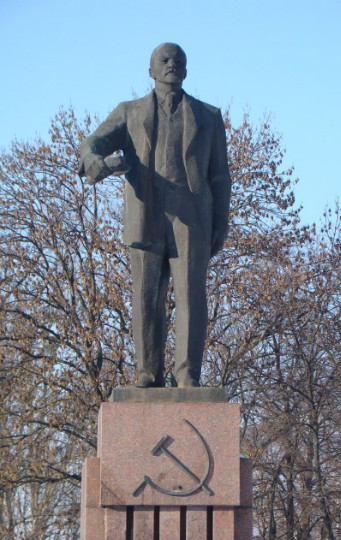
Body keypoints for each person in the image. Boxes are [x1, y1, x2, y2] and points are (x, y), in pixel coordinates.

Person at [78, 43, 231, 388]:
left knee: (192, 292)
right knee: (147, 294)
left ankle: (188, 373)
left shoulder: (208, 116)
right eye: (163, 60)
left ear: (187, 70)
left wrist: (221, 221)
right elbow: (93, 144)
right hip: (146, 212)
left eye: (178, 61)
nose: (171, 64)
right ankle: (148, 372)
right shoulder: (129, 112)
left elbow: (220, 175)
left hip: (193, 216)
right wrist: (92, 160)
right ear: (151, 71)